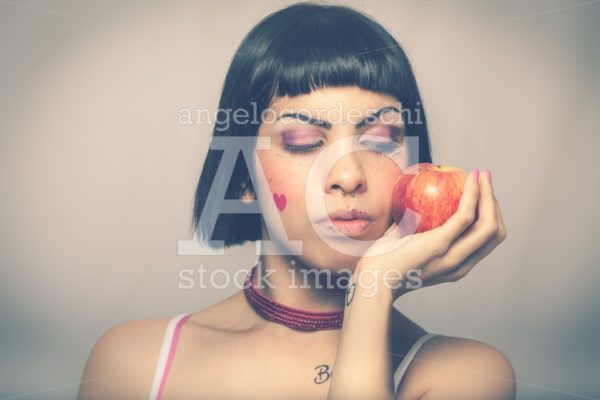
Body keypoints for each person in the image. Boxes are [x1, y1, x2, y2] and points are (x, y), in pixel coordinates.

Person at [77, 2, 515, 399]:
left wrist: (372, 291)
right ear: (242, 177)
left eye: (381, 141)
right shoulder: (132, 364)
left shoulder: (466, 376)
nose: (347, 175)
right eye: (304, 140)